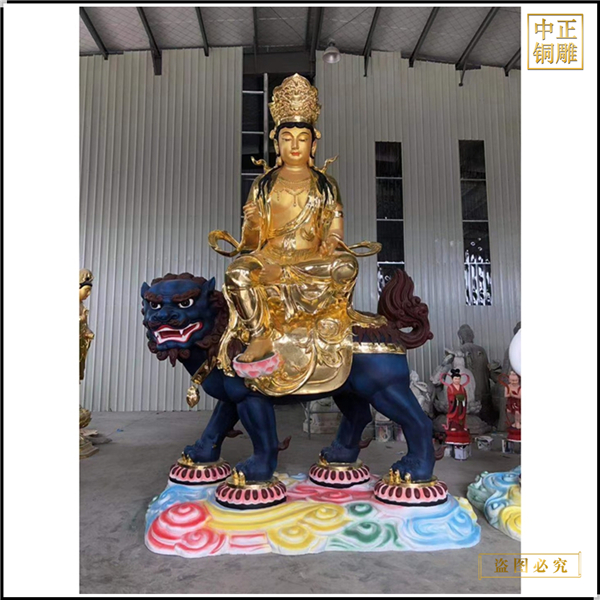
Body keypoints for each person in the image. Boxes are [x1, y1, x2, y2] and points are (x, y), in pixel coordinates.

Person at [209, 75, 380, 391]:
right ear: (277, 143)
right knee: (237, 273)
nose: (295, 145)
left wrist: (331, 242)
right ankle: (260, 335)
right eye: (287, 138)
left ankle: (321, 315)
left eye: (302, 138)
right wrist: (253, 224)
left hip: (310, 261)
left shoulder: (325, 185)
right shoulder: (263, 184)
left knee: (347, 266)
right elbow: (250, 243)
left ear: (313, 144)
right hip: (270, 255)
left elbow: (335, 230)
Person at [441, 368, 471, 432]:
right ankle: (453, 426)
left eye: (458, 379)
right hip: (454, 405)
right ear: (452, 379)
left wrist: (463, 398)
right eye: (455, 379)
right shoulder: (450, 387)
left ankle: (462, 426)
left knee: (462, 415)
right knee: (454, 416)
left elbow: (465, 395)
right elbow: (450, 396)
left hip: (461, 404)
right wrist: (455, 398)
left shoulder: (462, 388)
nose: (457, 380)